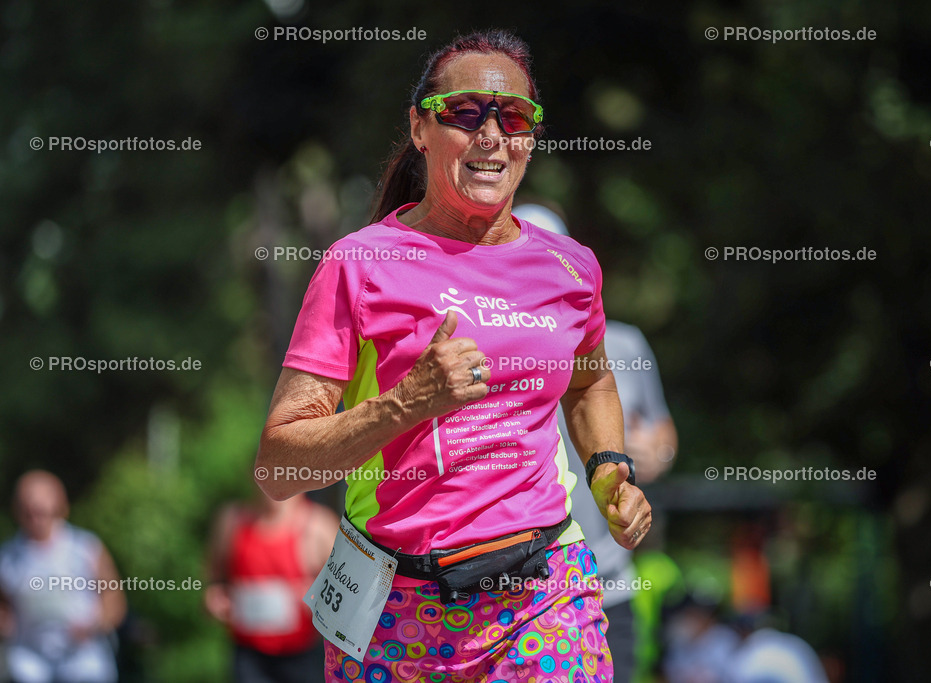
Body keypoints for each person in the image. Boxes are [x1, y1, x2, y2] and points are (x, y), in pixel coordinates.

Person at [254, 29, 652, 682]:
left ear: (530, 136)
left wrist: (610, 468)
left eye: (513, 116)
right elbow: (278, 467)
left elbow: (591, 380)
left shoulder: (569, 268)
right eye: (465, 113)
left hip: (543, 591)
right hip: (394, 612)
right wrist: (409, 401)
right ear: (420, 127)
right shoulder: (360, 264)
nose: (491, 135)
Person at [513, 202, 679, 683]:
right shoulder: (486, 342)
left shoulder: (623, 344)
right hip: (523, 587)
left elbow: (662, 431)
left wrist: (654, 456)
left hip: (608, 583)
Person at [0, 471, 125, 683]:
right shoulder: (7, 556)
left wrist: (96, 623)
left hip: (83, 658)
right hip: (30, 660)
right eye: (28, 512)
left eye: (41, 511)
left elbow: (113, 596)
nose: (36, 518)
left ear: (59, 506)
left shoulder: (86, 548)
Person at [204, 489, 339, 683]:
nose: (272, 484)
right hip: (248, 653)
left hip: (303, 654)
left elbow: (346, 594)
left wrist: (312, 597)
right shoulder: (233, 519)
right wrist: (215, 598)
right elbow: (214, 578)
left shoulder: (318, 525)